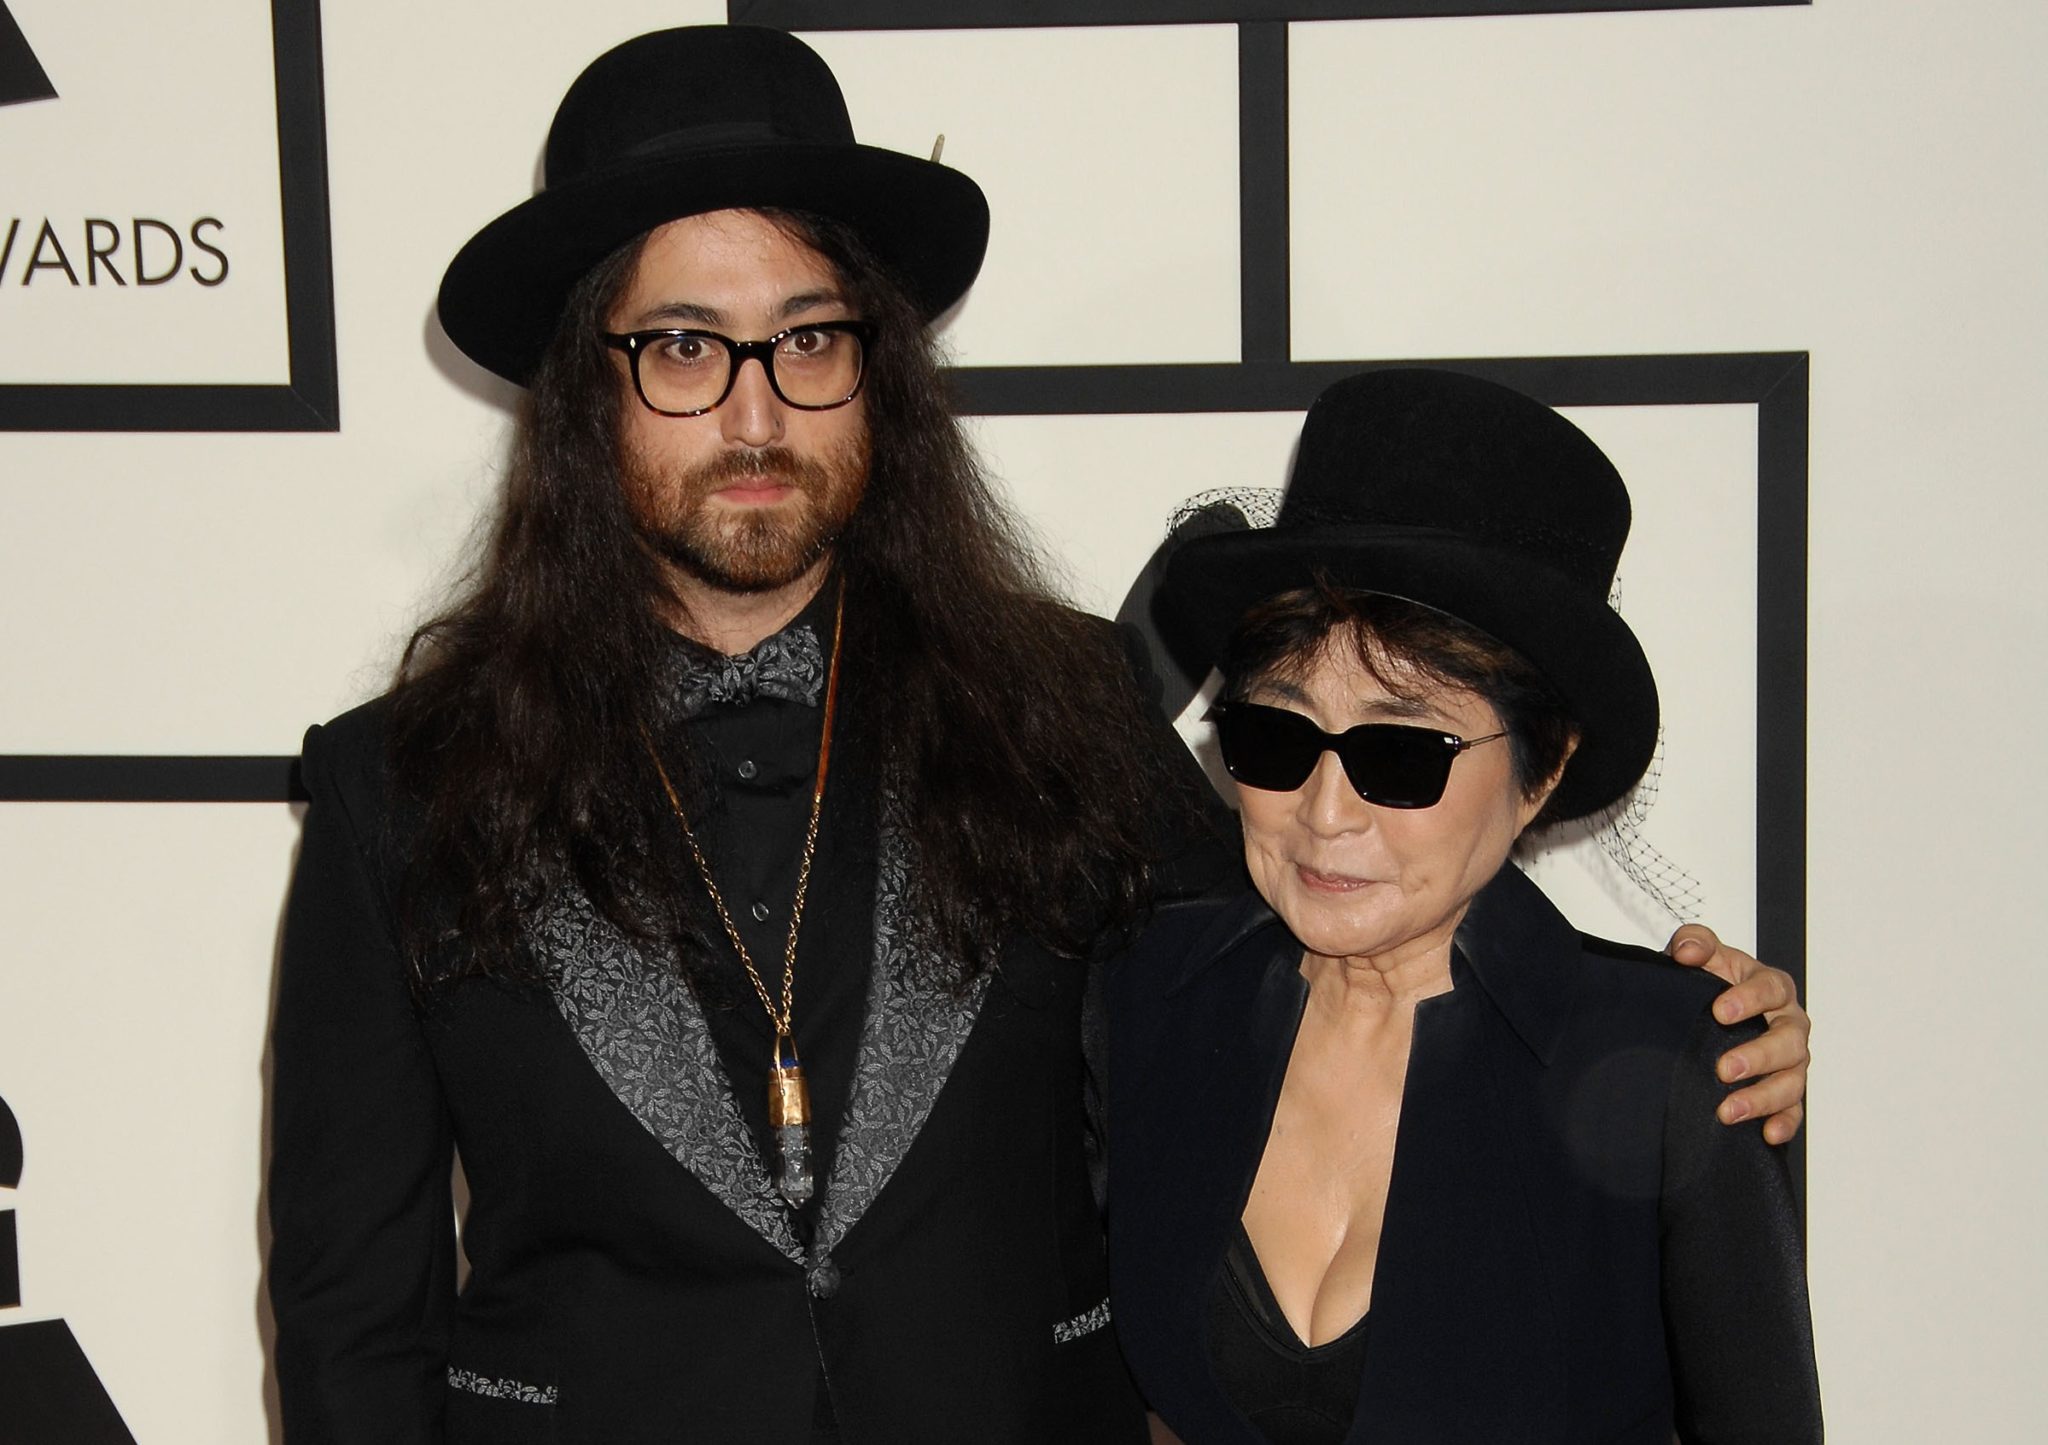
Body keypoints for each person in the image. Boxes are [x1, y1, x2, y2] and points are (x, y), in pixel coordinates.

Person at [265, 26, 1812, 1445]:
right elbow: (351, 1316)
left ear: (878, 368)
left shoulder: (1065, 706)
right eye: (682, 346)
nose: (756, 415)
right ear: (583, 388)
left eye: (810, 340)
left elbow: (1341, 904)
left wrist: (1680, 1036)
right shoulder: (397, 788)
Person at [1109, 368, 1823, 1444]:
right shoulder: (1142, 998)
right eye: (1275, 736)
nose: (1325, 812)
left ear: (1543, 769)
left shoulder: (1676, 1067)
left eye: (1402, 753)